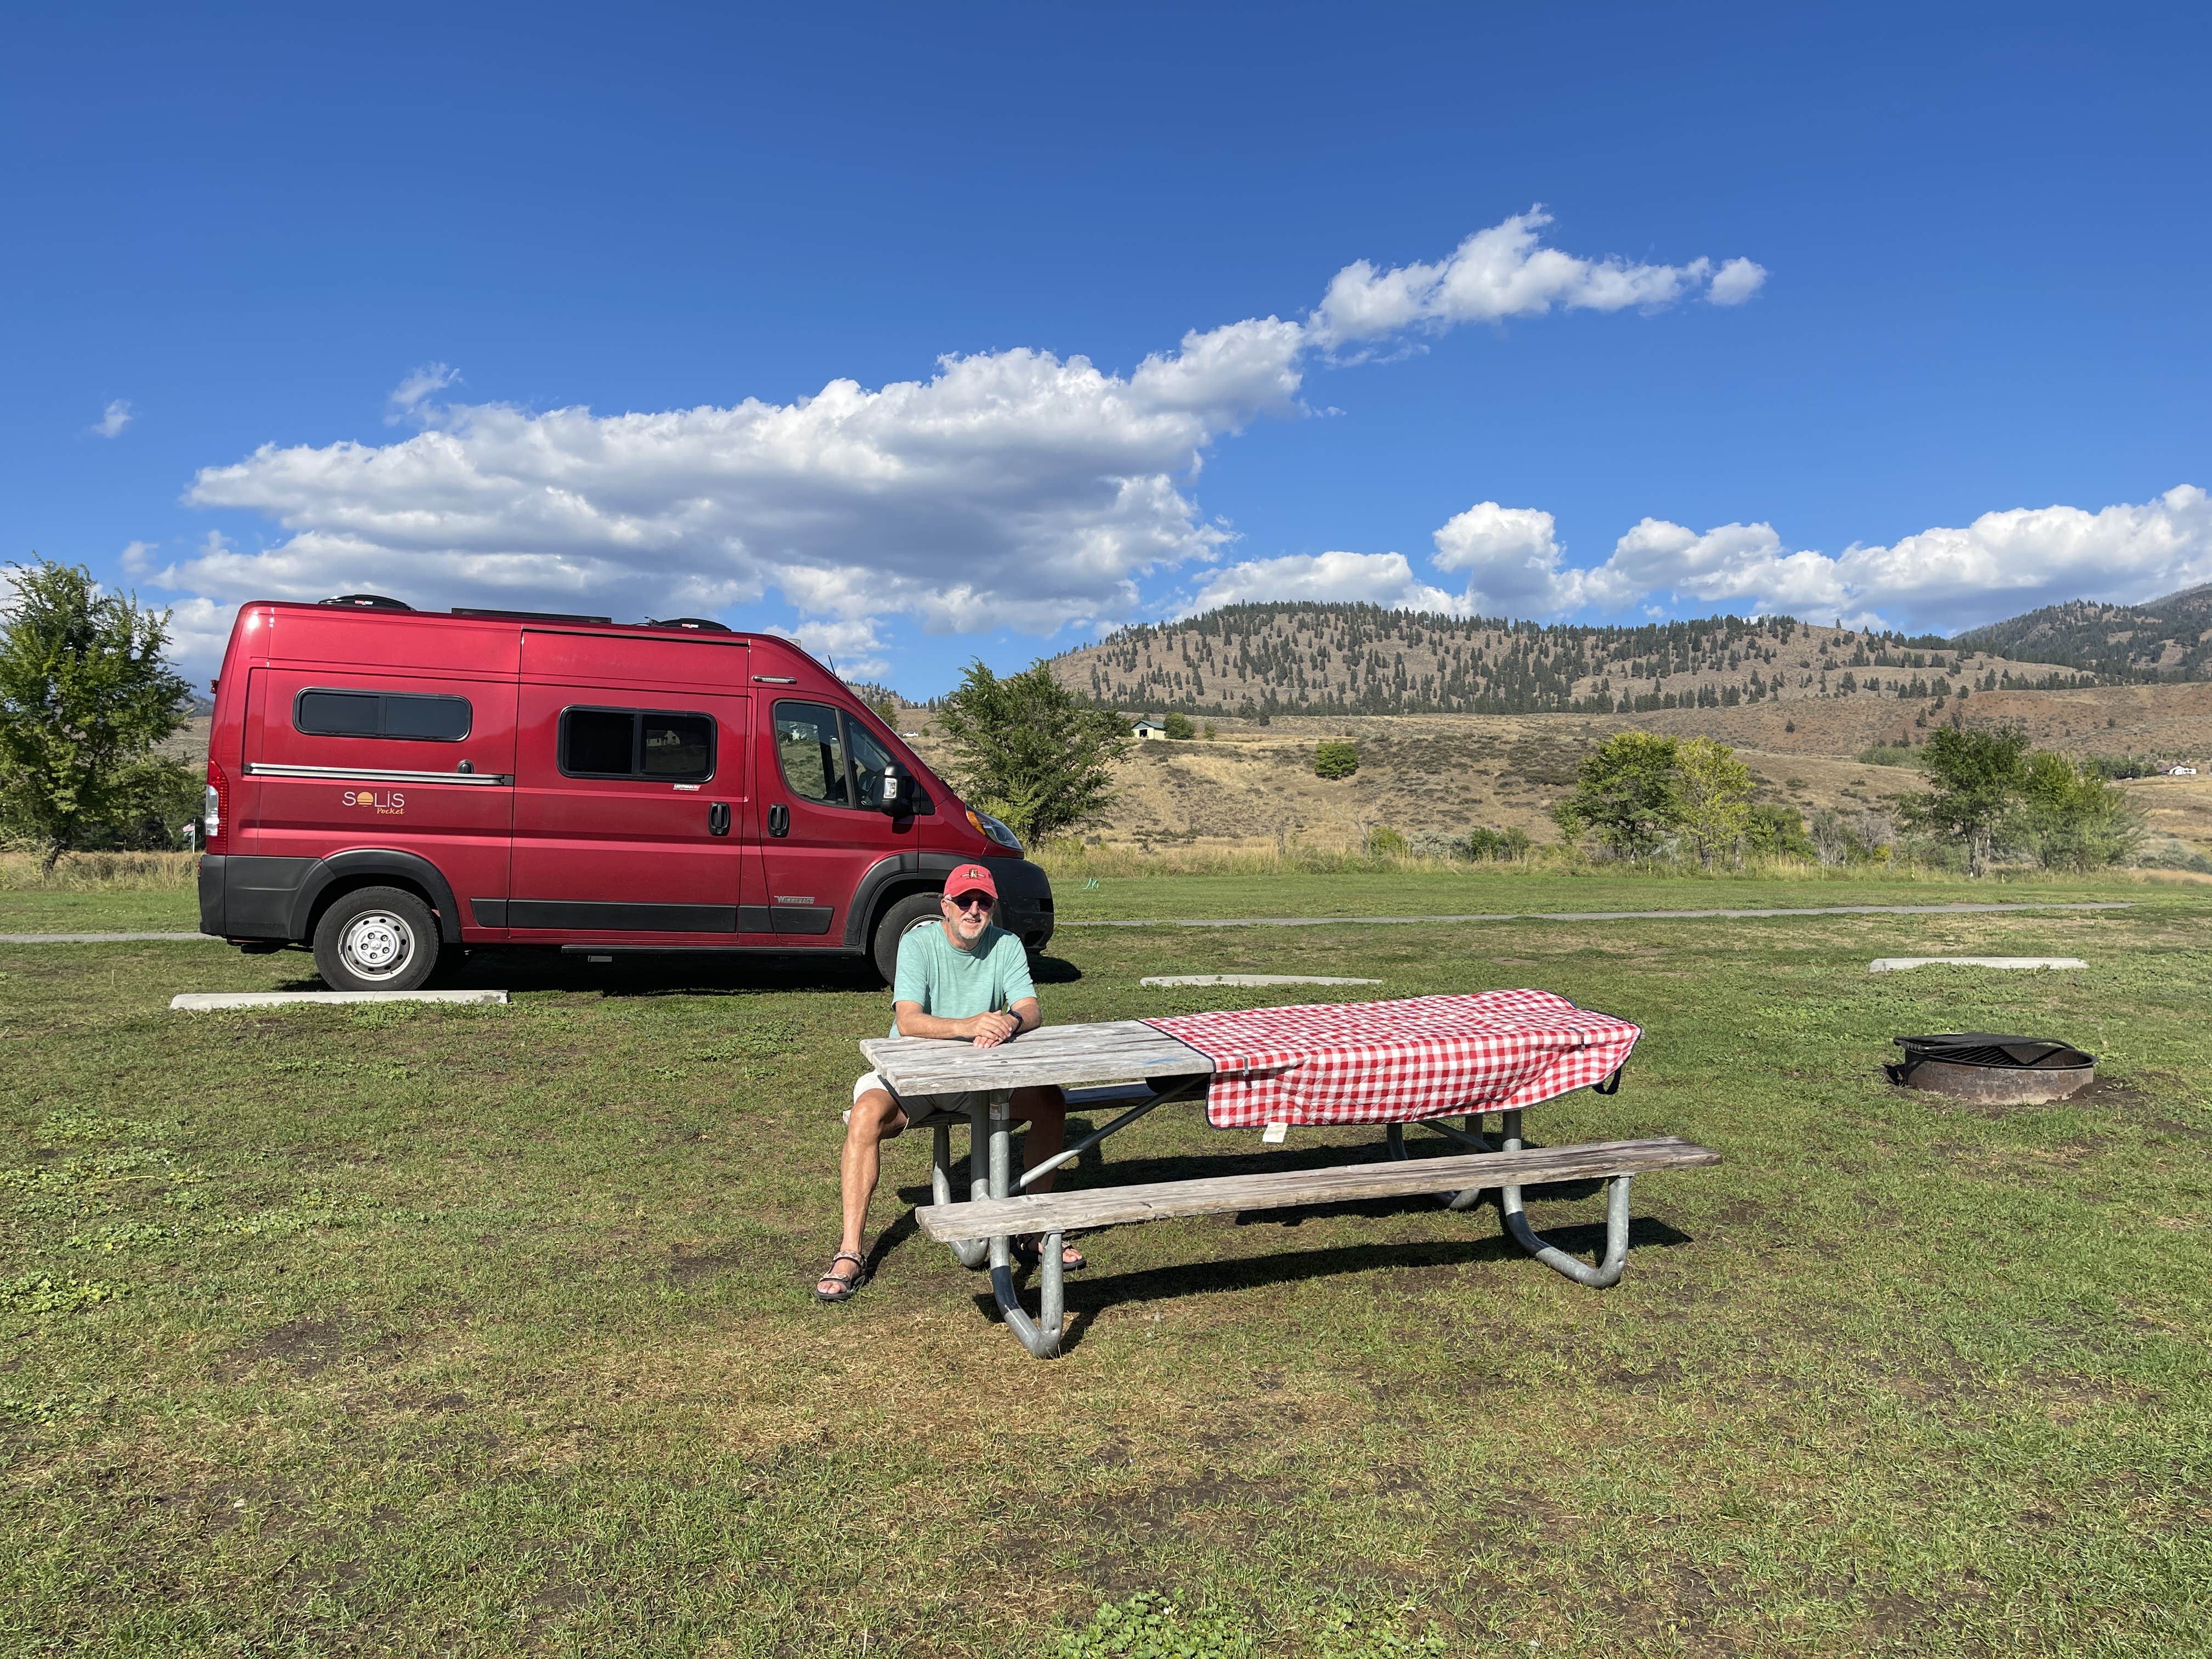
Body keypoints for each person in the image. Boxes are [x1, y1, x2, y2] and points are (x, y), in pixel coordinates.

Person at [814, 863, 1077, 1301]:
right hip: (912, 1077)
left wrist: (1009, 1021)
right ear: (946, 907)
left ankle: (1031, 1230)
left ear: (993, 907)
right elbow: (908, 1019)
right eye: (964, 901)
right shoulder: (918, 942)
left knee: (1051, 1101)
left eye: (984, 902)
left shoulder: (1007, 944)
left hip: (980, 1077)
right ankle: (850, 1251)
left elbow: (1032, 1008)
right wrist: (969, 1025)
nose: (974, 910)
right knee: (864, 1116)